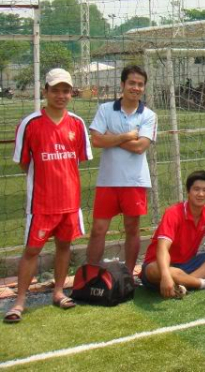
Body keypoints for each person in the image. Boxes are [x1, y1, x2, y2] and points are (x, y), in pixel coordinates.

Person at [5, 69, 92, 323]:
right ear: (45, 92)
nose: (61, 95)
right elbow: (24, 163)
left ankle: (58, 292)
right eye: (55, 90)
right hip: (42, 203)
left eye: (66, 90)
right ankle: (19, 301)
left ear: (71, 93)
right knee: (32, 250)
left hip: (69, 202)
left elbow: (77, 159)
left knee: (64, 246)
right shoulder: (30, 123)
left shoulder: (77, 123)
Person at [86, 65, 157, 274]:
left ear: (144, 87)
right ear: (122, 85)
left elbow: (140, 147)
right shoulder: (105, 109)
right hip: (108, 180)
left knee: (132, 229)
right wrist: (126, 136)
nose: (136, 88)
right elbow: (96, 140)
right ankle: (91, 274)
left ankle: (127, 274)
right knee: (98, 230)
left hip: (135, 181)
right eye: (132, 83)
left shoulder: (149, 115)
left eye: (140, 84)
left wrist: (111, 138)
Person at [141, 170, 205, 298]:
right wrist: (166, 275)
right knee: (155, 270)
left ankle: (184, 283)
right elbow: (162, 248)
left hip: (189, 264)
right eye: (196, 189)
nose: (200, 194)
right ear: (188, 192)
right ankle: (203, 283)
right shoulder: (173, 213)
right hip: (162, 266)